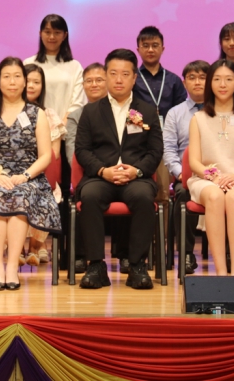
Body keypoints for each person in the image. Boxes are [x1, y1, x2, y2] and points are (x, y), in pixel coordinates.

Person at [0, 57, 61, 290]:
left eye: (17, 76)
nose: (12, 81)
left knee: (20, 194)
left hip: (29, 177)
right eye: (7, 77)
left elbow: (45, 155)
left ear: (25, 81)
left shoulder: (37, 113)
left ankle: (12, 267)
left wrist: (26, 176)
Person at [74, 49, 163, 290]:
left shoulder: (147, 111)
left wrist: (136, 171)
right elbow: (82, 150)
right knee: (90, 196)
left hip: (136, 178)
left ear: (134, 78)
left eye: (125, 74)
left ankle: (137, 265)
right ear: (106, 76)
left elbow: (155, 151)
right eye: (113, 73)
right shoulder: (90, 111)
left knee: (143, 197)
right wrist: (103, 171)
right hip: (101, 177)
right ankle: (95, 265)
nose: (119, 79)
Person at [186, 59, 234, 276]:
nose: (223, 84)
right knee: (215, 196)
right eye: (217, 79)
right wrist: (213, 177)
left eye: (229, 79)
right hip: (206, 180)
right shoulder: (198, 118)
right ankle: (221, 271)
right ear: (210, 83)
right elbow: (194, 162)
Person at [162, 60, 210, 275]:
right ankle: (186, 253)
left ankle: (229, 252)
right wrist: (180, 173)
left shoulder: (222, 110)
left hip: (220, 176)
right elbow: (169, 150)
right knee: (182, 193)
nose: (197, 82)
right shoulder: (175, 113)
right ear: (184, 83)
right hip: (188, 177)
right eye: (192, 78)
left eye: (203, 77)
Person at [64, 62, 109, 273]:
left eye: (99, 80)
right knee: (85, 194)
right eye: (89, 81)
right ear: (83, 85)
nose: (94, 84)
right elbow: (72, 152)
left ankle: (126, 255)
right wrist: (98, 169)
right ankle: (80, 255)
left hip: (116, 172)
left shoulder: (121, 112)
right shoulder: (76, 115)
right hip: (88, 173)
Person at [22, 63, 67, 265]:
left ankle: (35, 245)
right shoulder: (6, 112)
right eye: (28, 81)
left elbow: (54, 153)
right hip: (15, 172)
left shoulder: (49, 114)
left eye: (36, 82)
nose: (31, 85)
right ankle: (17, 248)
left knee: (42, 191)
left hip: (41, 171)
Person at [24, 14, 85, 123]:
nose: (52, 37)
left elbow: (78, 103)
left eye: (57, 32)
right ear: (40, 34)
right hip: (33, 127)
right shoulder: (28, 63)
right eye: (47, 32)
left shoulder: (75, 66)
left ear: (64, 35)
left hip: (66, 128)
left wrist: (61, 127)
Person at [133, 26, 188, 124]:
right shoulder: (132, 79)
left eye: (155, 45)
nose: (150, 50)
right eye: (145, 46)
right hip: (139, 129)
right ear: (138, 50)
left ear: (162, 49)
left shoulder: (174, 80)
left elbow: (181, 111)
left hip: (170, 130)